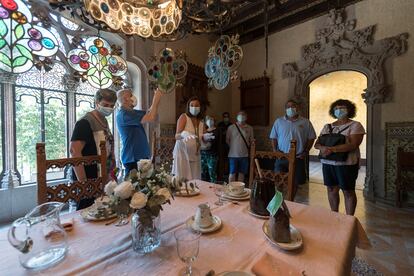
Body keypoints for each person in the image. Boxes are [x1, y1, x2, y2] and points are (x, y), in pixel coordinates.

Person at [314, 99, 365, 216]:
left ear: (349, 110)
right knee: (331, 189)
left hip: (346, 164)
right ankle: (334, 215)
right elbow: (317, 144)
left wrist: (330, 149)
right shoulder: (327, 126)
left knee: (348, 191)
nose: (339, 110)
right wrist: (322, 148)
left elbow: (353, 145)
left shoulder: (355, 125)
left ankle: (349, 219)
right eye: (336, 108)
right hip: (328, 162)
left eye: (342, 108)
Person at [70, 88, 117, 210]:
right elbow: (75, 152)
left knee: (102, 210)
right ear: (97, 102)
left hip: (103, 172)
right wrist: (84, 183)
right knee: (87, 210)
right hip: (88, 174)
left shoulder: (104, 120)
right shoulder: (85, 122)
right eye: (106, 105)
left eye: (112, 105)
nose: (109, 108)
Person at [269, 99, 316, 199]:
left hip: (297, 157)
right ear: (285, 109)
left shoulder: (305, 122)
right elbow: (273, 137)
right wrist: (275, 151)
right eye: (288, 106)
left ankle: (290, 201)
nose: (290, 108)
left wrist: (306, 151)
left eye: (293, 106)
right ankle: (278, 202)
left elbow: (311, 137)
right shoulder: (279, 121)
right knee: (278, 181)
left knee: (295, 182)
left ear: (297, 108)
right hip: (281, 157)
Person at [116, 88, 162, 177]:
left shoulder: (130, 112)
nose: (133, 97)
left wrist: (156, 98)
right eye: (131, 95)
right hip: (133, 157)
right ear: (125, 99)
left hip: (138, 156)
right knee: (133, 187)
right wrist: (156, 99)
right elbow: (151, 117)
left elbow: (149, 112)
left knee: (143, 186)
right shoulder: (124, 114)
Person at [172, 97, 211, 180]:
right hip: (182, 155)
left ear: (200, 108)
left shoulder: (201, 122)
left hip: (195, 155)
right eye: (192, 105)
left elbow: (203, 139)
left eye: (197, 105)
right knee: (182, 181)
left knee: (195, 181)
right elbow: (176, 136)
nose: (194, 107)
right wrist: (183, 134)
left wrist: (207, 138)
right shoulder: (184, 117)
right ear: (188, 107)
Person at [226, 111, 254, 182]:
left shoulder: (250, 128)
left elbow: (251, 141)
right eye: (240, 115)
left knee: (242, 173)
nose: (242, 116)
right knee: (232, 173)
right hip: (233, 155)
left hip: (244, 155)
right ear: (237, 117)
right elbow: (227, 140)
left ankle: (239, 189)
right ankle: (231, 189)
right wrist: (234, 148)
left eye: (243, 115)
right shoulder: (231, 127)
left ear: (246, 117)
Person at [201, 115, 219, 183]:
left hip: (212, 155)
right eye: (208, 119)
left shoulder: (217, 130)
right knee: (203, 172)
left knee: (212, 173)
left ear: (214, 121)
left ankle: (213, 188)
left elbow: (215, 141)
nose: (210, 121)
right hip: (203, 154)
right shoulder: (204, 130)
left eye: (211, 119)